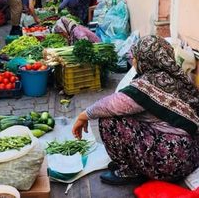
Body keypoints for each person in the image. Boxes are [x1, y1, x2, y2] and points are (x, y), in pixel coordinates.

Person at [72, 35, 199, 185]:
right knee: (134, 116)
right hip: (191, 156)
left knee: (109, 119)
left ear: (146, 60)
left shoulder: (147, 86)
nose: (133, 61)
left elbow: (111, 105)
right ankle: (137, 164)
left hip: (169, 164)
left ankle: (129, 171)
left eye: (136, 57)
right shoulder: (178, 77)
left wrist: (83, 116)